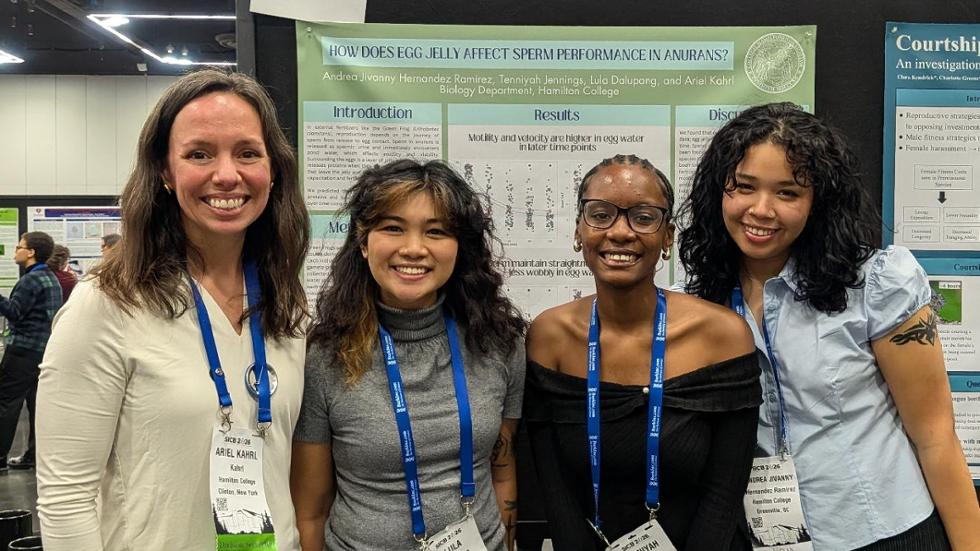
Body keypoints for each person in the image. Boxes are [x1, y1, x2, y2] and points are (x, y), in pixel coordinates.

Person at [678, 102, 980, 550]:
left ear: (818, 201)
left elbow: (935, 437)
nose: (761, 210)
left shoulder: (876, 285)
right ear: (718, 190)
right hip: (764, 537)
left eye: (788, 192)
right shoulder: (694, 301)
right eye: (744, 187)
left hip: (886, 533)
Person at [35, 69, 310, 550]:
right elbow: (65, 497)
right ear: (164, 171)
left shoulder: (287, 303)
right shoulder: (108, 302)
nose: (227, 174)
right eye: (199, 154)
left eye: (247, 153)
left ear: (273, 169)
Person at [524, 154, 760, 550]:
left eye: (643, 217)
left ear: (667, 237)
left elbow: (723, 494)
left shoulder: (722, 336)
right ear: (579, 231)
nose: (620, 232)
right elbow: (556, 492)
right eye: (600, 215)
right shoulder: (550, 338)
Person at [292, 159, 527, 551]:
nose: (414, 249)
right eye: (393, 228)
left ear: (459, 248)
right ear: (363, 243)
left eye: (436, 231)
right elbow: (311, 509)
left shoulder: (499, 343)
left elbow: (501, 471)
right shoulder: (325, 356)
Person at [6, 243, 75, 472]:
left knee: (6, 402)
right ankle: (33, 455)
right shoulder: (51, 278)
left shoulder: (30, 280)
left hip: (23, 349)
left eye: (20, 246)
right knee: (37, 404)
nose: (15, 250)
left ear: (31, 252)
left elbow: (15, 312)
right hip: (42, 349)